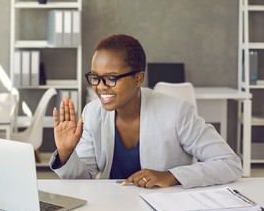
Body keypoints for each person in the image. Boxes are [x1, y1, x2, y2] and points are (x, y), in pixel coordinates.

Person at [50, 34, 243, 189]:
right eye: (95, 77)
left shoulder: (176, 112)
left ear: (138, 78)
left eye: (110, 78)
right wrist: (66, 153)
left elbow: (229, 163)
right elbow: (84, 178)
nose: (100, 87)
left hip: (164, 209)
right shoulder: (92, 112)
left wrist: (171, 176)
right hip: (111, 208)